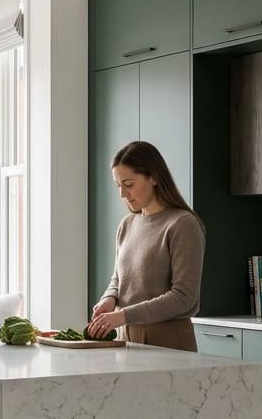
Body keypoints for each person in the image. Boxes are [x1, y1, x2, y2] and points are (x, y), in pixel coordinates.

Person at [86, 140, 205, 352]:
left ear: (154, 177)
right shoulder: (127, 225)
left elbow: (184, 297)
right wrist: (109, 299)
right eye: (118, 186)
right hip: (125, 336)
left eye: (129, 184)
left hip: (169, 340)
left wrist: (122, 315)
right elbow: (119, 279)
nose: (123, 194)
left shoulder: (183, 224)